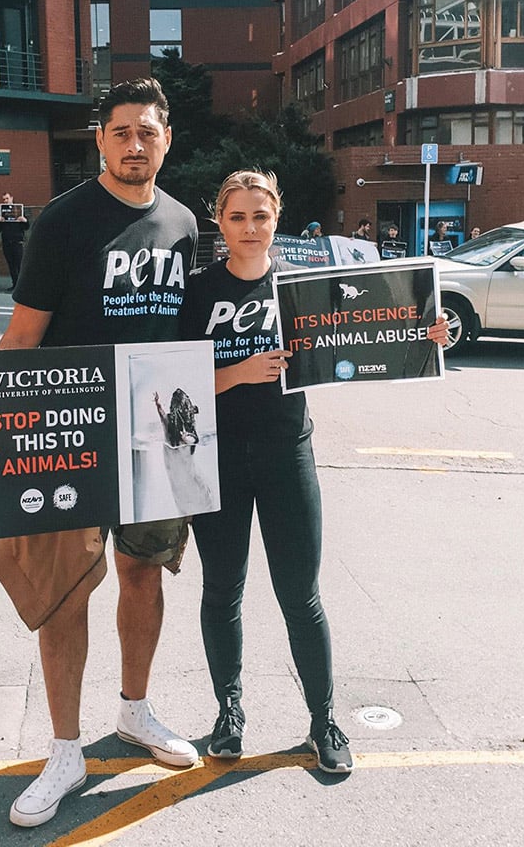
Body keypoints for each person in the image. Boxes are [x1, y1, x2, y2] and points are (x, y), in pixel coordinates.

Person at [0, 77, 199, 829]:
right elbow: (25, 333)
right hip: (71, 428)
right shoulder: (64, 222)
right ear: (100, 138)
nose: (136, 144)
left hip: (157, 431)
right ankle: (65, 750)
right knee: (66, 591)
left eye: (149, 132)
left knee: (144, 573)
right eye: (122, 130)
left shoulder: (184, 224)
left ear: (167, 139)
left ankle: (135, 711)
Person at [180, 170, 449, 773]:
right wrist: (235, 373)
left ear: (277, 219)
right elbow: (167, 383)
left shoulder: (302, 287)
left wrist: (430, 333)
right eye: (238, 217)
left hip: (286, 455)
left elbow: (378, 328)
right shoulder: (197, 292)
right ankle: (229, 714)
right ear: (219, 223)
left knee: (301, 596)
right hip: (217, 460)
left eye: (261, 216)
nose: (250, 228)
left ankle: (322, 721)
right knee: (222, 590)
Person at [0, 192, 29, 289]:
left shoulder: (19, 210)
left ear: (12, 198)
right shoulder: (2, 212)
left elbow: (26, 227)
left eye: (7, 198)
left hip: (17, 242)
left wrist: (24, 220)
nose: (5, 201)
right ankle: (14, 284)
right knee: (11, 265)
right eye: (4, 199)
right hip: (7, 242)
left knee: (19, 264)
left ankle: (21, 285)